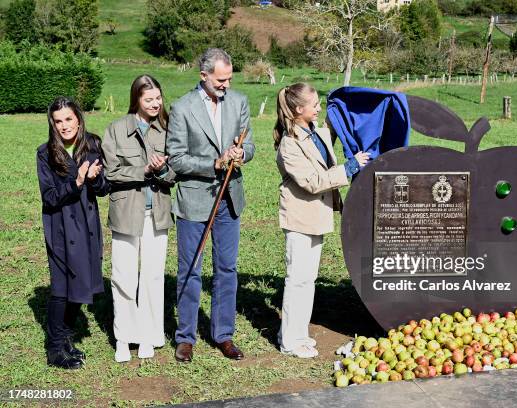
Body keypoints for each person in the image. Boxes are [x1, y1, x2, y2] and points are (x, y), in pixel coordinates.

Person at [167, 48, 255, 362]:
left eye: (229, 79)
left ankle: (223, 335)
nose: (226, 85)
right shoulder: (182, 108)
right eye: (220, 80)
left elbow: (250, 143)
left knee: (227, 269)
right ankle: (186, 337)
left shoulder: (240, 101)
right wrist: (215, 163)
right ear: (203, 75)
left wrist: (242, 154)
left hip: (229, 199)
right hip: (194, 199)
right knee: (190, 271)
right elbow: (176, 158)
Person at [274, 83, 369, 358]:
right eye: (314, 104)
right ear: (298, 109)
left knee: (308, 279)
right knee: (297, 280)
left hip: (316, 216)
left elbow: (335, 128)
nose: (318, 108)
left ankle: (299, 334)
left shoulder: (317, 133)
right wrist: (350, 166)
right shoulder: (289, 146)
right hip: (300, 218)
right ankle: (290, 341)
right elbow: (313, 182)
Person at [102, 75, 175, 362]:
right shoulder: (117, 129)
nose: (156, 104)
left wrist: (160, 171)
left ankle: (148, 335)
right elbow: (110, 172)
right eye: (149, 99)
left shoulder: (167, 131)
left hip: (157, 213)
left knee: (153, 276)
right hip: (126, 214)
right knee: (123, 276)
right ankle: (123, 337)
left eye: (158, 98)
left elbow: (174, 173)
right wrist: (143, 170)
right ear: (136, 100)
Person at [36, 97, 109, 369]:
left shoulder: (93, 144)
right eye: (58, 121)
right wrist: (78, 181)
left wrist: (95, 179)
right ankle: (55, 349)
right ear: (52, 124)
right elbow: (50, 197)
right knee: (61, 286)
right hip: (60, 225)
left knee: (83, 279)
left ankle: (66, 337)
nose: (64, 126)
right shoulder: (45, 154)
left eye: (69, 119)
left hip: (87, 223)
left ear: (78, 118)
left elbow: (104, 188)